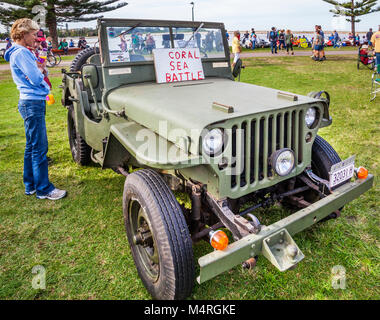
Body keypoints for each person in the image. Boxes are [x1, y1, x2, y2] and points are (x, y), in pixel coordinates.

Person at [4, 18, 66, 200]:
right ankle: (43, 189)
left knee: (31, 146)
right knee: (39, 147)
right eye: (33, 34)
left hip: (29, 102)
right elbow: (37, 78)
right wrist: (40, 70)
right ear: (23, 34)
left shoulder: (19, 52)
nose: (35, 37)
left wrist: (40, 69)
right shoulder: (22, 53)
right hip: (32, 103)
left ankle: (30, 184)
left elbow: (37, 73)